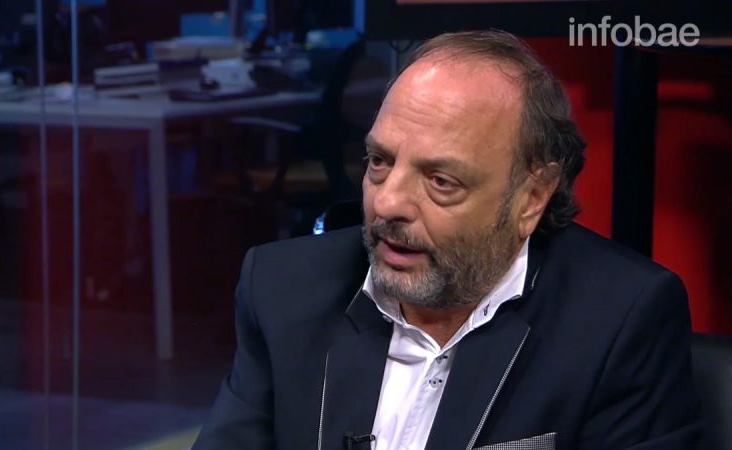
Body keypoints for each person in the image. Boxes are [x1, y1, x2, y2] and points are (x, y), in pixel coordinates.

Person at [193, 30, 700, 450]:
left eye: (440, 181)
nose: (388, 203)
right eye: (379, 162)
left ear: (531, 197)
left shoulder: (620, 319)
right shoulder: (282, 289)